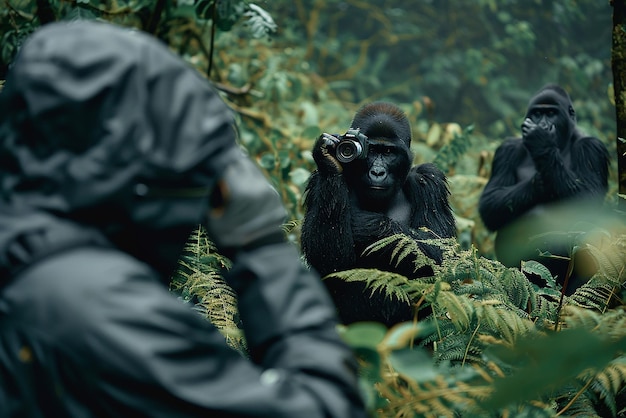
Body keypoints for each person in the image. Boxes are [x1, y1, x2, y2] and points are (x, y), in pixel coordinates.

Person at [0, 21, 367, 417]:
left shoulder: (25, 262)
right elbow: (324, 409)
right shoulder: (93, 309)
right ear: (145, 175)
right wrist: (261, 244)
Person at [478, 84, 610, 294]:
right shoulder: (511, 152)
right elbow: (490, 213)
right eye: (537, 114)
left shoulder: (587, 149)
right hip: (517, 270)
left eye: (551, 113)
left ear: (571, 116)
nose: (543, 122)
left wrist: (546, 153)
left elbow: (588, 208)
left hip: (572, 275)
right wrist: (535, 187)